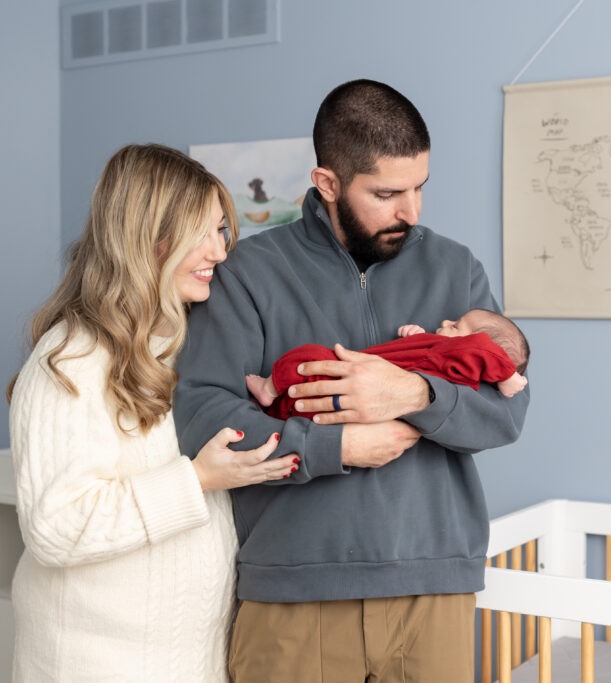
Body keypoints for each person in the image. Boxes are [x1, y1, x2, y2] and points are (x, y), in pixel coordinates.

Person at [174, 80, 530, 682]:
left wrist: (414, 393)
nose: (411, 213)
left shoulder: (456, 268)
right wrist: (333, 448)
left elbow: (506, 409)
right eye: (387, 194)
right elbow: (204, 418)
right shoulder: (250, 275)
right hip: (295, 590)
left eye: (419, 188)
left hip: (434, 588)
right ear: (328, 184)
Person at [5, 144, 299, 682]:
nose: (221, 252)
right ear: (150, 238)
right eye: (204, 234)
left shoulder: (183, 347)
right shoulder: (69, 361)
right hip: (95, 665)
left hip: (187, 660)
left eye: (223, 232)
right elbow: (55, 526)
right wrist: (196, 481)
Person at [246, 308, 531, 420]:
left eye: (456, 326)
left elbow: (481, 348)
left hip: (351, 376)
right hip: (351, 395)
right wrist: (417, 336)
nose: (445, 322)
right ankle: (272, 408)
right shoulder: (448, 359)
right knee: (307, 400)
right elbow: (427, 356)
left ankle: (268, 389)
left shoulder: (463, 352)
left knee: (308, 357)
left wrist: (506, 375)